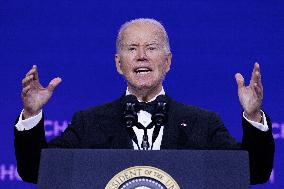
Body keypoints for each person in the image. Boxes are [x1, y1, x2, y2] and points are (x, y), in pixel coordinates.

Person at [14, 18, 274, 184]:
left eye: (151, 48)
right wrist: (32, 115)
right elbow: (36, 170)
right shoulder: (89, 122)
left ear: (168, 61)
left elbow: (253, 173)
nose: (141, 56)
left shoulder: (202, 123)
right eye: (131, 49)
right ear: (119, 64)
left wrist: (252, 117)